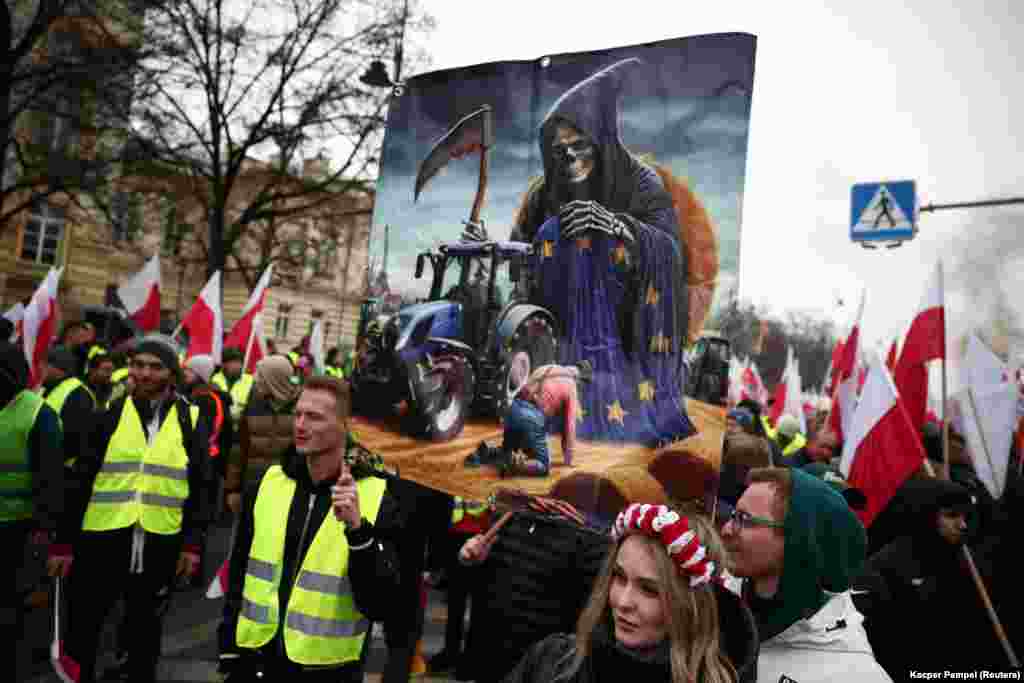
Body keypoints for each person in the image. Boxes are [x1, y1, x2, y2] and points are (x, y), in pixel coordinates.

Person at [512, 57, 695, 447]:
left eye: (580, 147)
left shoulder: (641, 181)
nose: (571, 159)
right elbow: (521, 252)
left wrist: (617, 226)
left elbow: (669, 250)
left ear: (601, 140)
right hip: (560, 322)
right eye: (560, 152)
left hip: (627, 328)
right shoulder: (545, 192)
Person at [219, 375, 403, 682]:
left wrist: (358, 531)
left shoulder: (377, 494)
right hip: (256, 661)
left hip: (329, 669)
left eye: (315, 417)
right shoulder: (269, 482)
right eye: (298, 414)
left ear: (346, 425)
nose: (300, 425)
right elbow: (239, 568)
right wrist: (228, 645)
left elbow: (382, 603)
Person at [65, 334, 215, 683]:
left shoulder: (190, 420)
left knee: (145, 629)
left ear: (172, 374)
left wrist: (192, 545)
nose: (145, 374)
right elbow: (81, 480)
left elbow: (202, 489)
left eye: (155, 367)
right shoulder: (108, 415)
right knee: (86, 625)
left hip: (160, 540)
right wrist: (63, 542)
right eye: (138, 365)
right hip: (104, 537)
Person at [500, 503, 758, 683]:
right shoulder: (552, 663)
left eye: (649, 590)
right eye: (619, 577)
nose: (623, 602)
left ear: (691, 605)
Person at [721, 467, 890, 682]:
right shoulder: (712, 610)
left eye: (745, 519)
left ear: (797, 540)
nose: (726, 529)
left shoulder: (856, 675)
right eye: (734, 515)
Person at [855, 477, 1008, 675]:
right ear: (926, 515)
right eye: (951, 516)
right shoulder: (886, 566)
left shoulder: (968, 561)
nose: (962, 525)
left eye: (965, 517)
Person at [0, 340, 65, 683]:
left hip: (21, 530)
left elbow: (51, 479)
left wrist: (45, 532)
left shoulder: (39, 414)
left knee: (13, 609)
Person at [224, 354, 301, 515]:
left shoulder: (302, 409)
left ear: (274, 380)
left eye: (261, 376)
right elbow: (238, 450)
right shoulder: (253, 402)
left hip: (287, 494)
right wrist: (233, 489)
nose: (256, 379)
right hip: (252, 489)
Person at [499, 363, 587, 477]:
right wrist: (569, 458)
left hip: (513, 410)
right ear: (578, 378)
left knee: (512, 449)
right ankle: (515, 464)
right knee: (543, 465)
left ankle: (498, 454)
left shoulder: (546, 368)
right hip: (531, 417)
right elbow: (569, 426)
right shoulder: (571, 385)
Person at [41, 346, 96, 470]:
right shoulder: (46, 388)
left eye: (45, 365)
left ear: (58, 368)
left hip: (65, 472)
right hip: (46, 467)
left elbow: (74, 439)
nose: (41, 369)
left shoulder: (78, 394)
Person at [212, 347, 255, 421]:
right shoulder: (214, 380)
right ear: (224, 364)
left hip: (242, 425)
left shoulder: (250, 380)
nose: (237, 365)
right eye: (233, 362)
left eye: (239, 362)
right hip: (220, 425)